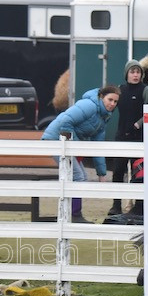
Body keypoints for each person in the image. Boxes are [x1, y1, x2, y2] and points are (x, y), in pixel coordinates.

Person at [41, 85, 121, 223]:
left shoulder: (103, 118)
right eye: (110, 99)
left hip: (68, 144)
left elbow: (97, 147)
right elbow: (66, 122)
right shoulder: (89, 105)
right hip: (55, 140)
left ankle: (72, 214)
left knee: (82, 176)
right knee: (78, 176)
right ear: (102, 97)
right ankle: (74, 216)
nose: (112, 104)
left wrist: (101, 174)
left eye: (115, 102)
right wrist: (76, 147)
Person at [107, 61, 148, 216]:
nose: (135, 75)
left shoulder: (146, 90)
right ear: (127, 73)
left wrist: (138, 124)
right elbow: (109, 105)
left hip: (140, 138)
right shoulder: (120, 90)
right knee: (118, 172)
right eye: (132, 72)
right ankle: (116, 205)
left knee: (139, 172)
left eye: (138, 72)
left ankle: (139, 206)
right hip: (121, 137)